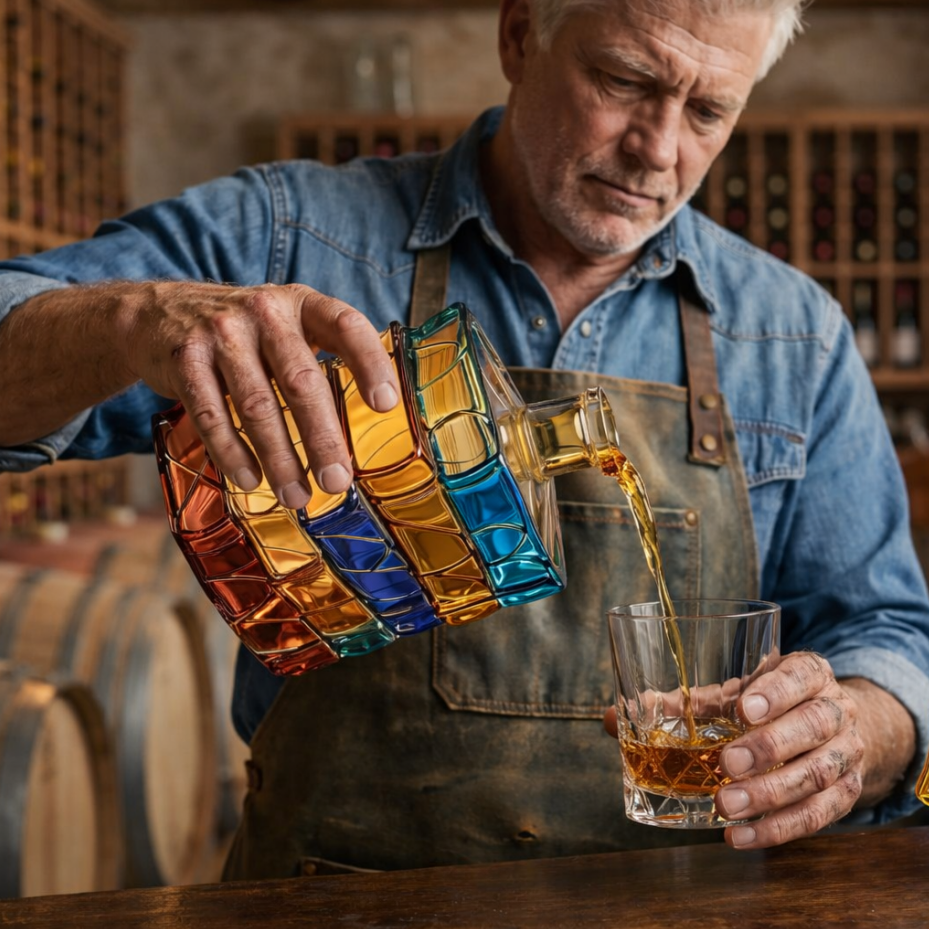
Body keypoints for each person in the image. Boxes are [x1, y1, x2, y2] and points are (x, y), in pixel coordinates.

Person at [1, 0, 928, 878]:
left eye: (709, 110)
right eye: (621, 79)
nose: (657, 149)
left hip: (671, 908)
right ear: (520, 33)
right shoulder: (289, 240)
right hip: (336, 899)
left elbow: (889, 632)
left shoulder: (791, 335)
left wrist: (855, 722)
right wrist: (127, 317)